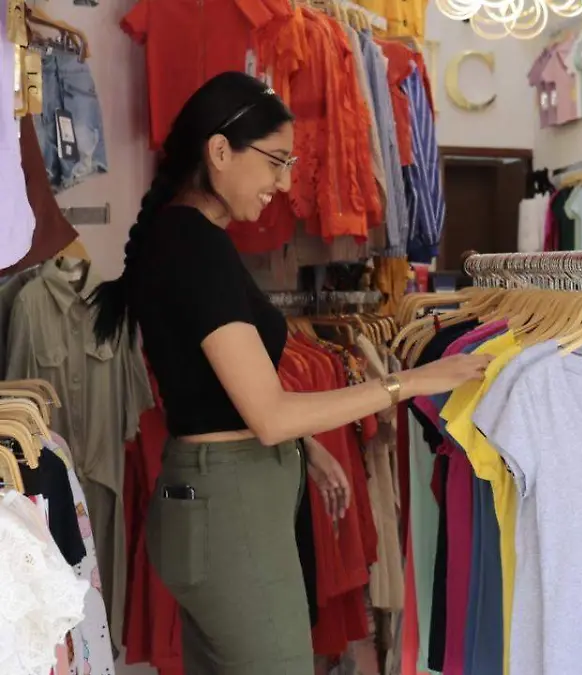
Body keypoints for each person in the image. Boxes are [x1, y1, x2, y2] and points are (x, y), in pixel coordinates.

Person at [88, 72, 490, 674]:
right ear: (219, 151)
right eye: (276, 162)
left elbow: (223, 391)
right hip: (229, 508)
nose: (282, 184)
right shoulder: (194, 246)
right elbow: (269, 415)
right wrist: (410, 382)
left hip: (215, 501)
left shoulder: (186, 239)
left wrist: (311, 449)